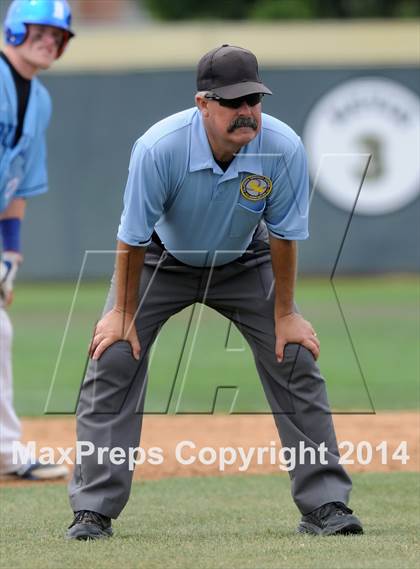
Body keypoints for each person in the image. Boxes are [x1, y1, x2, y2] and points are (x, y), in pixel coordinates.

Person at [66, 45, 363, 540]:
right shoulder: (160, 147)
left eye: (253, 98)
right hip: (162, 258)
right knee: (114, 354)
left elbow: (285, 234)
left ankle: (325, 504)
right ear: (203, 103)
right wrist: (121, 311)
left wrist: (286, 313)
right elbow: (133, 235)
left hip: (245, 259)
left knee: (295, 356)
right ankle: (93, 509)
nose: (246, 111)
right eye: (232, 101)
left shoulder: (282, 146)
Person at [0, 0, 74, 481]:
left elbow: (19, 184)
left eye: (60, 35)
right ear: (15, 25)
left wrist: (10, 250)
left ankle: (6, 452)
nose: (51, 40)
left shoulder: (39, 100)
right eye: (43, 30)